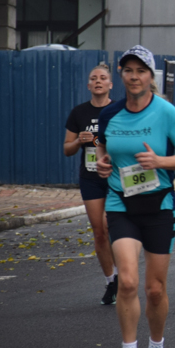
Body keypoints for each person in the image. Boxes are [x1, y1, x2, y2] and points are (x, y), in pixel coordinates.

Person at [94, 46, 175, 348]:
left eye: (141, 71)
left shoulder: (166, 112)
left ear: (151, 76)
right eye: (128, 70)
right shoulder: (110, 114)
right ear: (121, 75)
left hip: (158, 206)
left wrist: (161, 162)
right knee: (127, 281)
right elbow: (102, 146)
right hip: (121, 203)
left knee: (155, 289)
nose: (134, 76)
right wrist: (103, 163)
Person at [63, 64, 118, 305]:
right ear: (88, 85)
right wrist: (78, 142)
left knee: (112, 227)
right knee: (99, 231)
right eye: (93, 78)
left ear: (110, 84)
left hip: (115, 176)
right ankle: (111, 281)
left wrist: (99, 141)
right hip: (90, 177)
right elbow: (67, 149)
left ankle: (123, 275)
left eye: (103, 78)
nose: (98, 81)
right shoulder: (79, 112)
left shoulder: (118, 110)